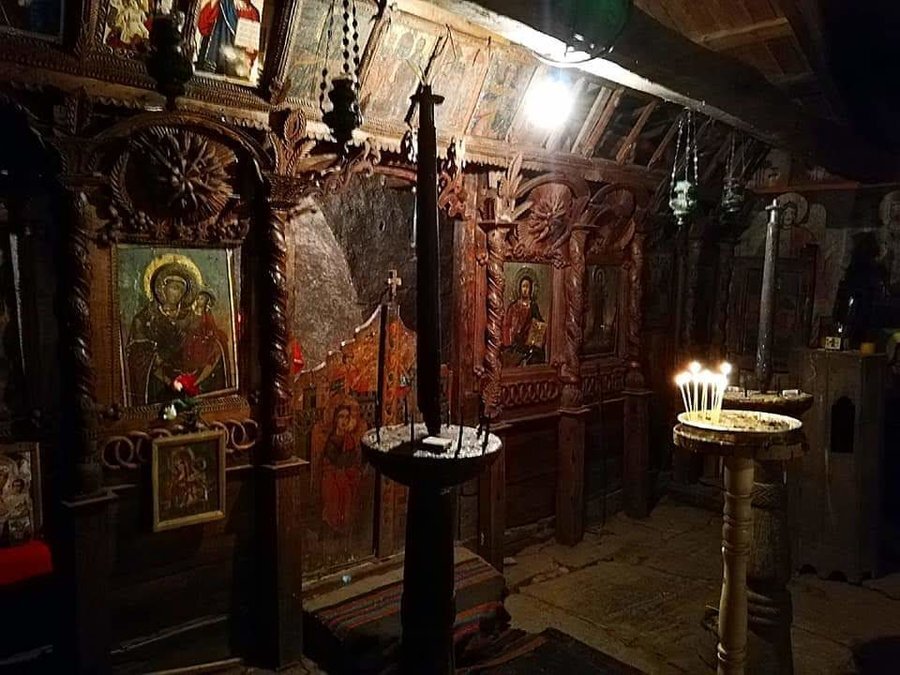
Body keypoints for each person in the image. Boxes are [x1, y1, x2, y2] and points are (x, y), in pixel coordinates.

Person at [321, 404, 362, 533]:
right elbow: (337, 461)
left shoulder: (349, 438)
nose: (344, 421)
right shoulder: (332, 440)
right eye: (341, 417)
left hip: (347, 472)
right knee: (339, 487)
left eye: (347, 417)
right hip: (332, 475)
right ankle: (335, 523)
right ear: (335, 419)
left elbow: (353, 459)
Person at [196, 0, 261, 79]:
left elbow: (252, 49)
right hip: (213, 67)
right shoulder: (222, 4)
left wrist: (250, 54)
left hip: (237, 72)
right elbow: (204, 28)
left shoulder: (253, 13)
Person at [502, 273, 547, 366]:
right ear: (519, 288)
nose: (525, 289)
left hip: (529, 345)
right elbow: (507, 326)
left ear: (531, 289)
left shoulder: (533, 307)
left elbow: (539, 325)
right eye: (523, 286)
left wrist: (534, 339)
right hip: (516, 344)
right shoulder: (513, 307)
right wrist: (510, 340)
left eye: (527, 287)